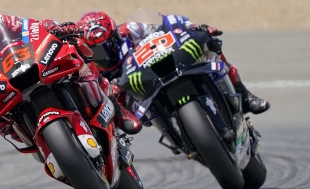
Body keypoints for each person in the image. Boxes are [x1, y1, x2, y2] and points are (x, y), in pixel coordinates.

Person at [0, 0, 141, 139]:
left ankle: (112, 103)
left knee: (72, 48)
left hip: (24, 68)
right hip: (2, 102)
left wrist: (57, 29)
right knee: (6, 129)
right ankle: (49, 149)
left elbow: (31, 27)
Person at [75, 11, 270, 115]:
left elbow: (161, 30)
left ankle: (244, 95)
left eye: (103, 47)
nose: (100, 54)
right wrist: (110, 92)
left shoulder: (130, 30)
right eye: (94, 50)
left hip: (155, 69)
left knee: (210, 46)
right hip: (135, 93)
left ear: (114, 36)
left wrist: (191, 28)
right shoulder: (92, 66)